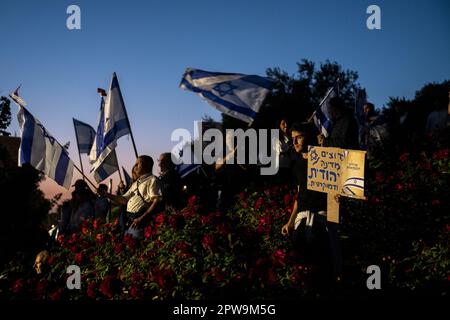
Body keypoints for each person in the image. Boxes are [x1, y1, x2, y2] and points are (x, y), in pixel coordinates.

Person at [281, 123, 332, 291]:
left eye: (299, 137)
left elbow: (336, 191)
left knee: (322, 269)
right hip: (302, 219)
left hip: (322, 218)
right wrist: (290, 221)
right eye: (293, 138)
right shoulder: (296, 164)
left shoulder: (325, 159)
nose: (294, 142)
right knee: (301, 266)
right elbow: (299, 195)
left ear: (308, 137)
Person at [98, 155, 161, 238]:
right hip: (128, 220)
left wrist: (141, 218)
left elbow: (156, 201)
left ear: (146, 165)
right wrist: (106, 194)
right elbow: (123, 200)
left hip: (139, 221)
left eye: (138, 164)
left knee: (136, 246)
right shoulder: (136, 183)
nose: (134, 166)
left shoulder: (153, 179)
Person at [276, 118, 293, 185]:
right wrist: (290, 147)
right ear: (279, 126)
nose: (286, 125)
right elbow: (279, 151)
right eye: (283, 124)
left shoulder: (289, 135)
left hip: (290, 165)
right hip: (281, 167)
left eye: (286, 123)